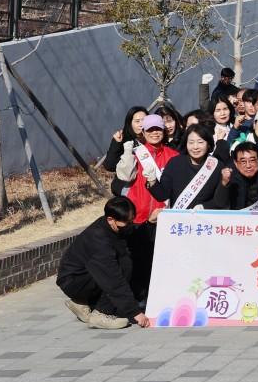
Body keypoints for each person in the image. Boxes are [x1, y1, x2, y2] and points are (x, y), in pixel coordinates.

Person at [57, 197, 152, 330]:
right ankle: (101, 314)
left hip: (85, 276)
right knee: (124, 265)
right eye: (126, 223)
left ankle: (82, 303)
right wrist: (134, 312)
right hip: (74, 281)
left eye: (131, 221)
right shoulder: (98, 239)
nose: (129, 226)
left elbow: (134, 234)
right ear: (110, 220)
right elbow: (112, 280)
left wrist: (149, 224)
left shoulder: (112, 227)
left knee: (133, 254)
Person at [112, 114, 178, 299]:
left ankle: (158, 296)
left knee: (159, 260)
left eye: (158, 129)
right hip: (137, 215)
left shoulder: (174, 156)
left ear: (164, 130)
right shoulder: (135, 154)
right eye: (150, 130)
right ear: (143, 132)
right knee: (136, 259)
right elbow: (121, 176)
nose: (155, 133)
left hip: (162, 215)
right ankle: (138, 297)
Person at [147, 126, 225, 210]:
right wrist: (152, 180)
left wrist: (205, 206)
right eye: (191, 142)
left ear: (208, 144)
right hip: (179, 219)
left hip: (205, 219)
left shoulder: (216, 166)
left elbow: (221, 200)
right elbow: (162, 195)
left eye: (200, 142)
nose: (195, 147)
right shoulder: (175, 163)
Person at [213, 140, 258, 211]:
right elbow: (220, 204)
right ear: (235, 163)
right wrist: (224, 184)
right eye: (243, 161)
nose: (248, 165)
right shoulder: (228, 175)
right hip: (235, 219)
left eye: (252, 160)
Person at [103, 106, 147, 176]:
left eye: (144, 120)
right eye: (137, 121)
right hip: (128, 183)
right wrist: (116, 143)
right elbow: (109, 165)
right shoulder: (123, 139)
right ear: (130, 123)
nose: (141, 124)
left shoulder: (153, 138)